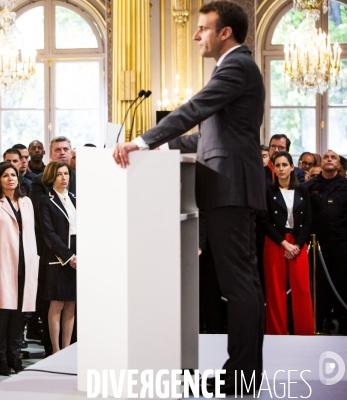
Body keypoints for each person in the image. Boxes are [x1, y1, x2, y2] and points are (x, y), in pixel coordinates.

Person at [114, 2, 265, 394]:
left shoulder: (236, 65)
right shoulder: (235, 67)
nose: (197, 36)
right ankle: (240, 374)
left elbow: (194, 109)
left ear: (224, 32)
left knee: (240, 286)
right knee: (239, 284)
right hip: (228, 185)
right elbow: (207, 135)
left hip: (229, 187)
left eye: (203, 29)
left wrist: (143, 140)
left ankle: (243, 378)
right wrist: (160, 148)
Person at [0, 162, 39, 376]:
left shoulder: (27, 202)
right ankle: (1, 358)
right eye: (5, 175)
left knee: (19, 315)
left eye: (13, 175)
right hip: (1, 264)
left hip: (25, 263)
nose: (11, 178)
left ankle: (15, 356)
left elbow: (32, 233)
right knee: (1, 315)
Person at [260, 152, 313, 335]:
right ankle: (277, 335)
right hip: (276, 242)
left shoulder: (302, 190)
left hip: (297, 243)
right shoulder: (268, 191)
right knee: (275, 291)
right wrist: (284, 244)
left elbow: (307, 220)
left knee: (302, 289)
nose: (281, 169)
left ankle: (305, 334)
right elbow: (264, 221)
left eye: (284, 165)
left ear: (292, 167)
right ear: (273, 168)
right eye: (277, 165)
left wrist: (296, 245)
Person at [305, 150, 347, 335]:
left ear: (339, 165)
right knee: (318, 285)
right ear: (321, 163)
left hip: (341, 244)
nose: (329, 159)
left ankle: (344, 326)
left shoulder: (346, 186)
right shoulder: (309, 186)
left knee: (342, 285)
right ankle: (317, 324)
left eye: (334, 157)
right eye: (326, 157)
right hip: (317, 245)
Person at [38, 162, 77, 353]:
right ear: (52, 177)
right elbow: (49, 233)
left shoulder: (75, 198)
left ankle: (67, 350)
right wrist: (69, 257)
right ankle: (55, 350)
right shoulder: (46, 200)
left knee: (71, 304)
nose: (64, 177)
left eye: (66, 173)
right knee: (57, 304)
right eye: (60, 174)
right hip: (57, 258)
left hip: (78, 257)